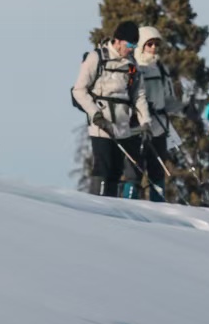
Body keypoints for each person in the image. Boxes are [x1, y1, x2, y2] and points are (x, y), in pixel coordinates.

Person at [73, 23, 151, 197]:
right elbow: (79, 90)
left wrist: (146, 121)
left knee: (117, 169)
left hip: (122, 125)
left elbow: (139, 95)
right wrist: (95, 114)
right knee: (103, 166)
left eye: (134, 46)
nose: (131, 50)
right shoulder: (97, 58)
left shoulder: (132, 65)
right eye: (129, 45)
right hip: (101, 124)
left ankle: (112, 209)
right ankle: (98, 204)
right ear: (118, 41)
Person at [135, 26, 180, 201]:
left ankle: (158, 207)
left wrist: (182, 108)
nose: (153, 48)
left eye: (156, 44)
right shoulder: (135, 67)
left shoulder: (161, 68)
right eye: (149, 44)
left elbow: (168, 98)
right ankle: (128, 207)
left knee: (157, 171)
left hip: (160, 127)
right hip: (139, 128)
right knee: (135, 172)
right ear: (141, 45)